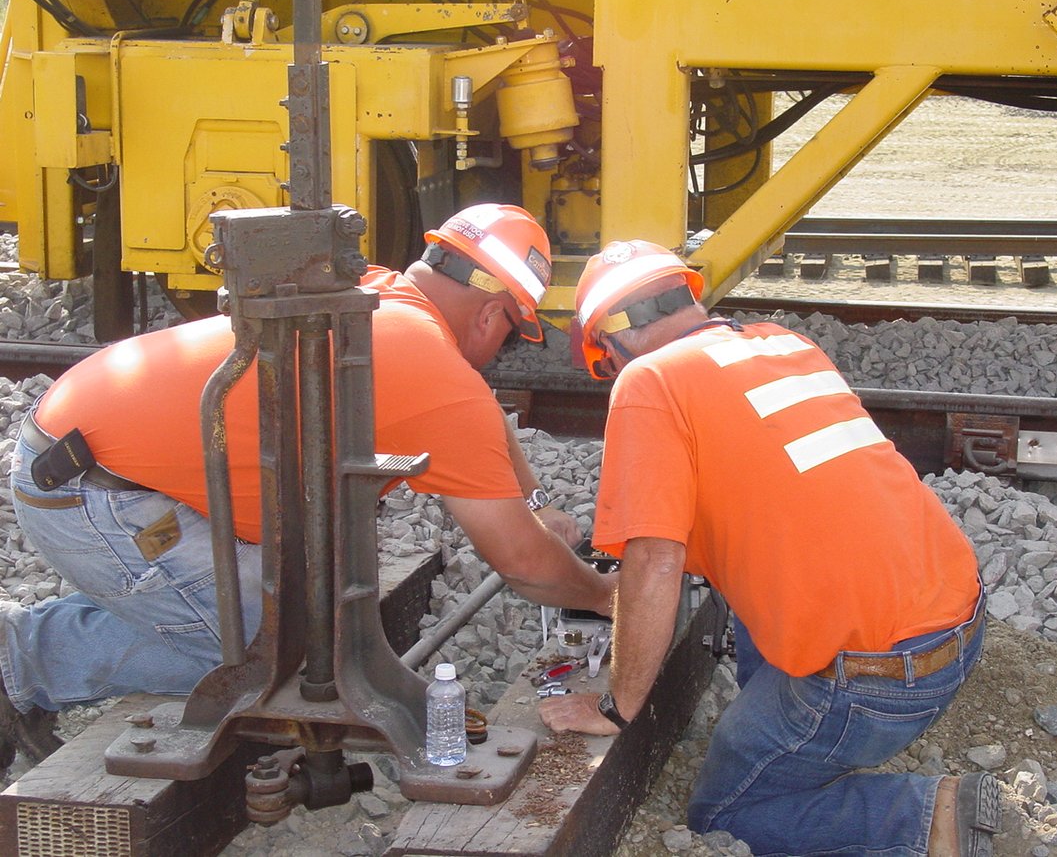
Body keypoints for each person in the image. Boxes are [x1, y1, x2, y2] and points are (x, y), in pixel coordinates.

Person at [1, 203, 616, 770]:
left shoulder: (376, 293)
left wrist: (536, 501)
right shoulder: (439, 377)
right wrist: (608, 596)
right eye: (511, 332)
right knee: (264, 660)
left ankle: (63, 634)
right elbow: (525, 565)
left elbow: (471, 399)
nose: (501, 348)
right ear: (490, 315)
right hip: (97, 494)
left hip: (85, 448)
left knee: (268, 617)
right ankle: (19, 661)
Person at [539, 240, 998, 857]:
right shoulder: (779, 343)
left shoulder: (649, 380)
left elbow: (653, 562)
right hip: (956, 623)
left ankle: (931, 817)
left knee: (727, 811)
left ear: (611, 344)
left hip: (879, 680)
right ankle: (788, 726)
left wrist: (619, 707)